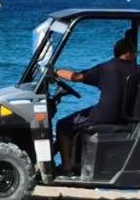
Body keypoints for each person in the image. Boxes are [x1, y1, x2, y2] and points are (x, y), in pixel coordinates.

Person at [55, 38, 140, 169]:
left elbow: (77, 77)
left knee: (63, 125)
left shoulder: (106, 68)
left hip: (103, 117)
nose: (136, 55)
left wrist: (56, 72)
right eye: (136, 52)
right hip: (127, 117)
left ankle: (67, 165)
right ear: (128, 53)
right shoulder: (137, 71)